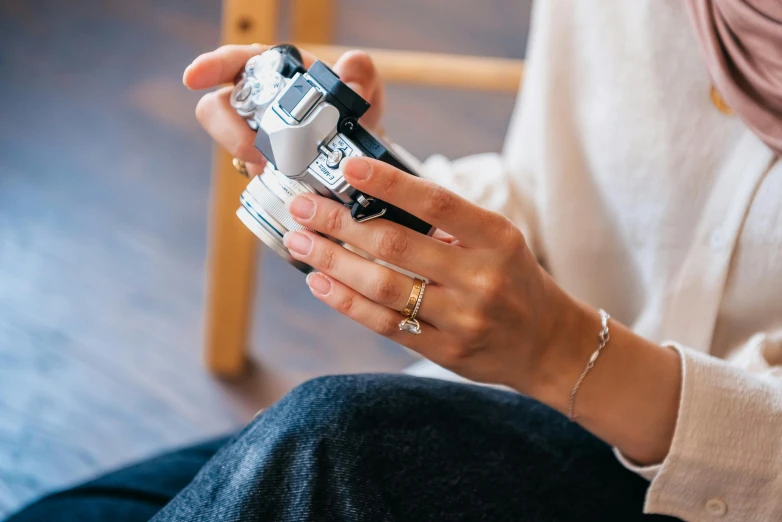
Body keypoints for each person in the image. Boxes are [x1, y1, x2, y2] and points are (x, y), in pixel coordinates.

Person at [9, 1, 781, 521]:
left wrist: (560, 350)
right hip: (508, 402)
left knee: (334, 439)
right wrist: (378, 183)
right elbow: (555, 198)